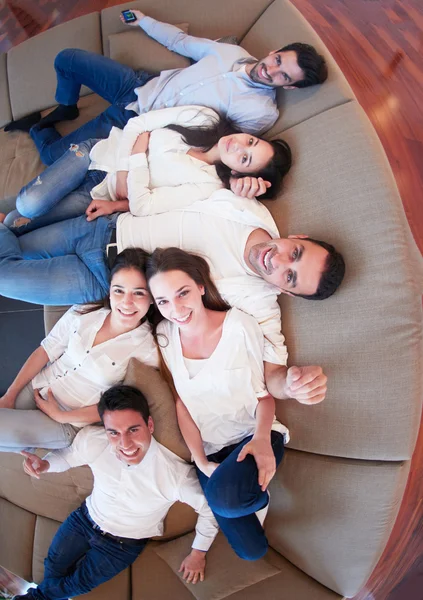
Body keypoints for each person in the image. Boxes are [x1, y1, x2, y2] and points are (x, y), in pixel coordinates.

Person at [0, 192, 345, 404]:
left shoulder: (260, 302)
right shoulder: (245, 208)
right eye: (295, 252)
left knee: (4, 274)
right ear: (297, 236)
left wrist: (291, 386)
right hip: (104, 226)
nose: (279, 261)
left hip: (105, 282)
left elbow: (273, 373)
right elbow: (181, 190)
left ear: (285, 291)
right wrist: (120, 202)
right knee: (12, 230)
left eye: (290, 277)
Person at [4, 9, 327, 166]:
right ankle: (68, 106)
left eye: (285, 77)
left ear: (292, 88)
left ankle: (39, 128)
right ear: (275, 52)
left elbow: (222, 146)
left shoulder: (261, 112)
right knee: (67, 58)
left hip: (135, 125)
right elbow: (182, 42)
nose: (272, 71)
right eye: (279, 60)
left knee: (51, 157)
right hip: (138, 85)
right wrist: (143, 21)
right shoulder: (232, 53)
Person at [146, 247, 289, 560]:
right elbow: (182, 405)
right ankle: (251, 496)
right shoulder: (164, 335)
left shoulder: (239, 327)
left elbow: (263, 396)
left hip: (251, 439)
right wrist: (199, 460)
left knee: (223, 500)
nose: (176, 309)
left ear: (200, 286)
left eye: (182, 293)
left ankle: (248, 494)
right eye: (163, 301)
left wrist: (262, 440)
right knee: (251, 551)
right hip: (210, 450)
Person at [15, 384, 218, 600]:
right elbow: (68, 457)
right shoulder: (94, 440)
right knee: (52, 567)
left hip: (122, 545)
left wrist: (198, 552)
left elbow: (209, 509)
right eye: (113, 432)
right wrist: (45, 465)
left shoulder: (174, 475)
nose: (125, 443)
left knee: (75, 585)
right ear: (105, 429)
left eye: (133, 430)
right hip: (83, 521)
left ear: (149, 424)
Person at [2, 105, 292, 236]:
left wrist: (139, 155)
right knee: (29, 203)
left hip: (101, 191)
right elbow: (138, 124)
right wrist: (127, 172)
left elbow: (144, 206)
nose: (238, 146)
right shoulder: (205, 118)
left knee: (19, 223)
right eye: (250, 141)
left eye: (245, 158)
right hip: (98, 153)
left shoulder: (209, 186)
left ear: (240, 174)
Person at [0, 248, 159, 452]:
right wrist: (10, 395)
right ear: (110, 290)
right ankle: (26, 443)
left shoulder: (147, 350)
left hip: (66, 421)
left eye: (138, 293)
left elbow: (122, 406)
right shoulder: (84, 312)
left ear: (152, 297)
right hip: (37, 388)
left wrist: (62, 416)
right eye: (119, 290)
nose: (127, 302)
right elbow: (45, 351)